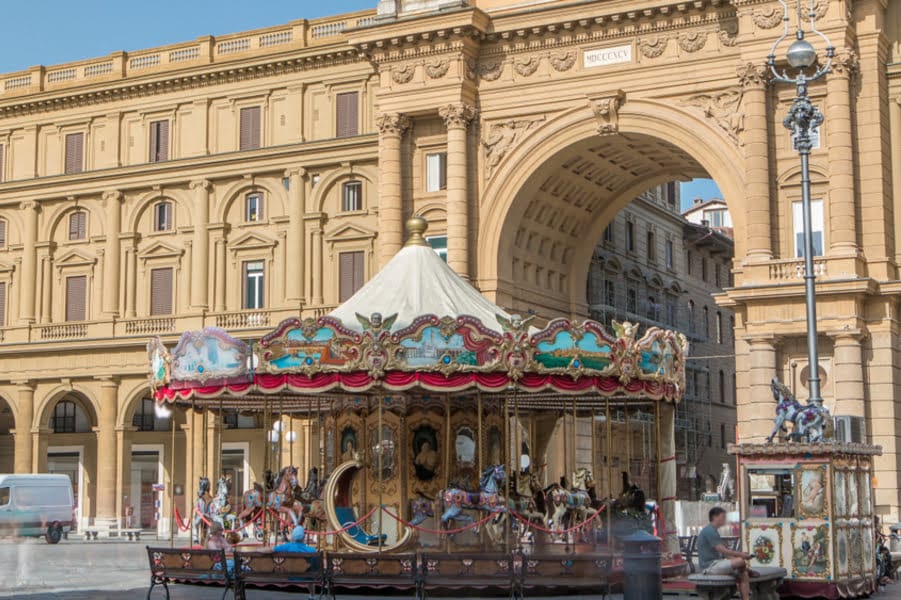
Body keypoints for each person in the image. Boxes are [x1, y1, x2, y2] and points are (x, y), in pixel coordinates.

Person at [697, 507, 754, 600]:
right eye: (723, 517)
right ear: (714, 517)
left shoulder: (713, 530)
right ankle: (744, 570)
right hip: (709, 566)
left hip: (717, 563)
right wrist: (741, 555)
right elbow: (722, 550)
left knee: (743, 573)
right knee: (740, 562)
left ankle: (746, 598)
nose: (725, 520)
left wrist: (737, 558)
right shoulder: (709, 531)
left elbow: (726, 555)